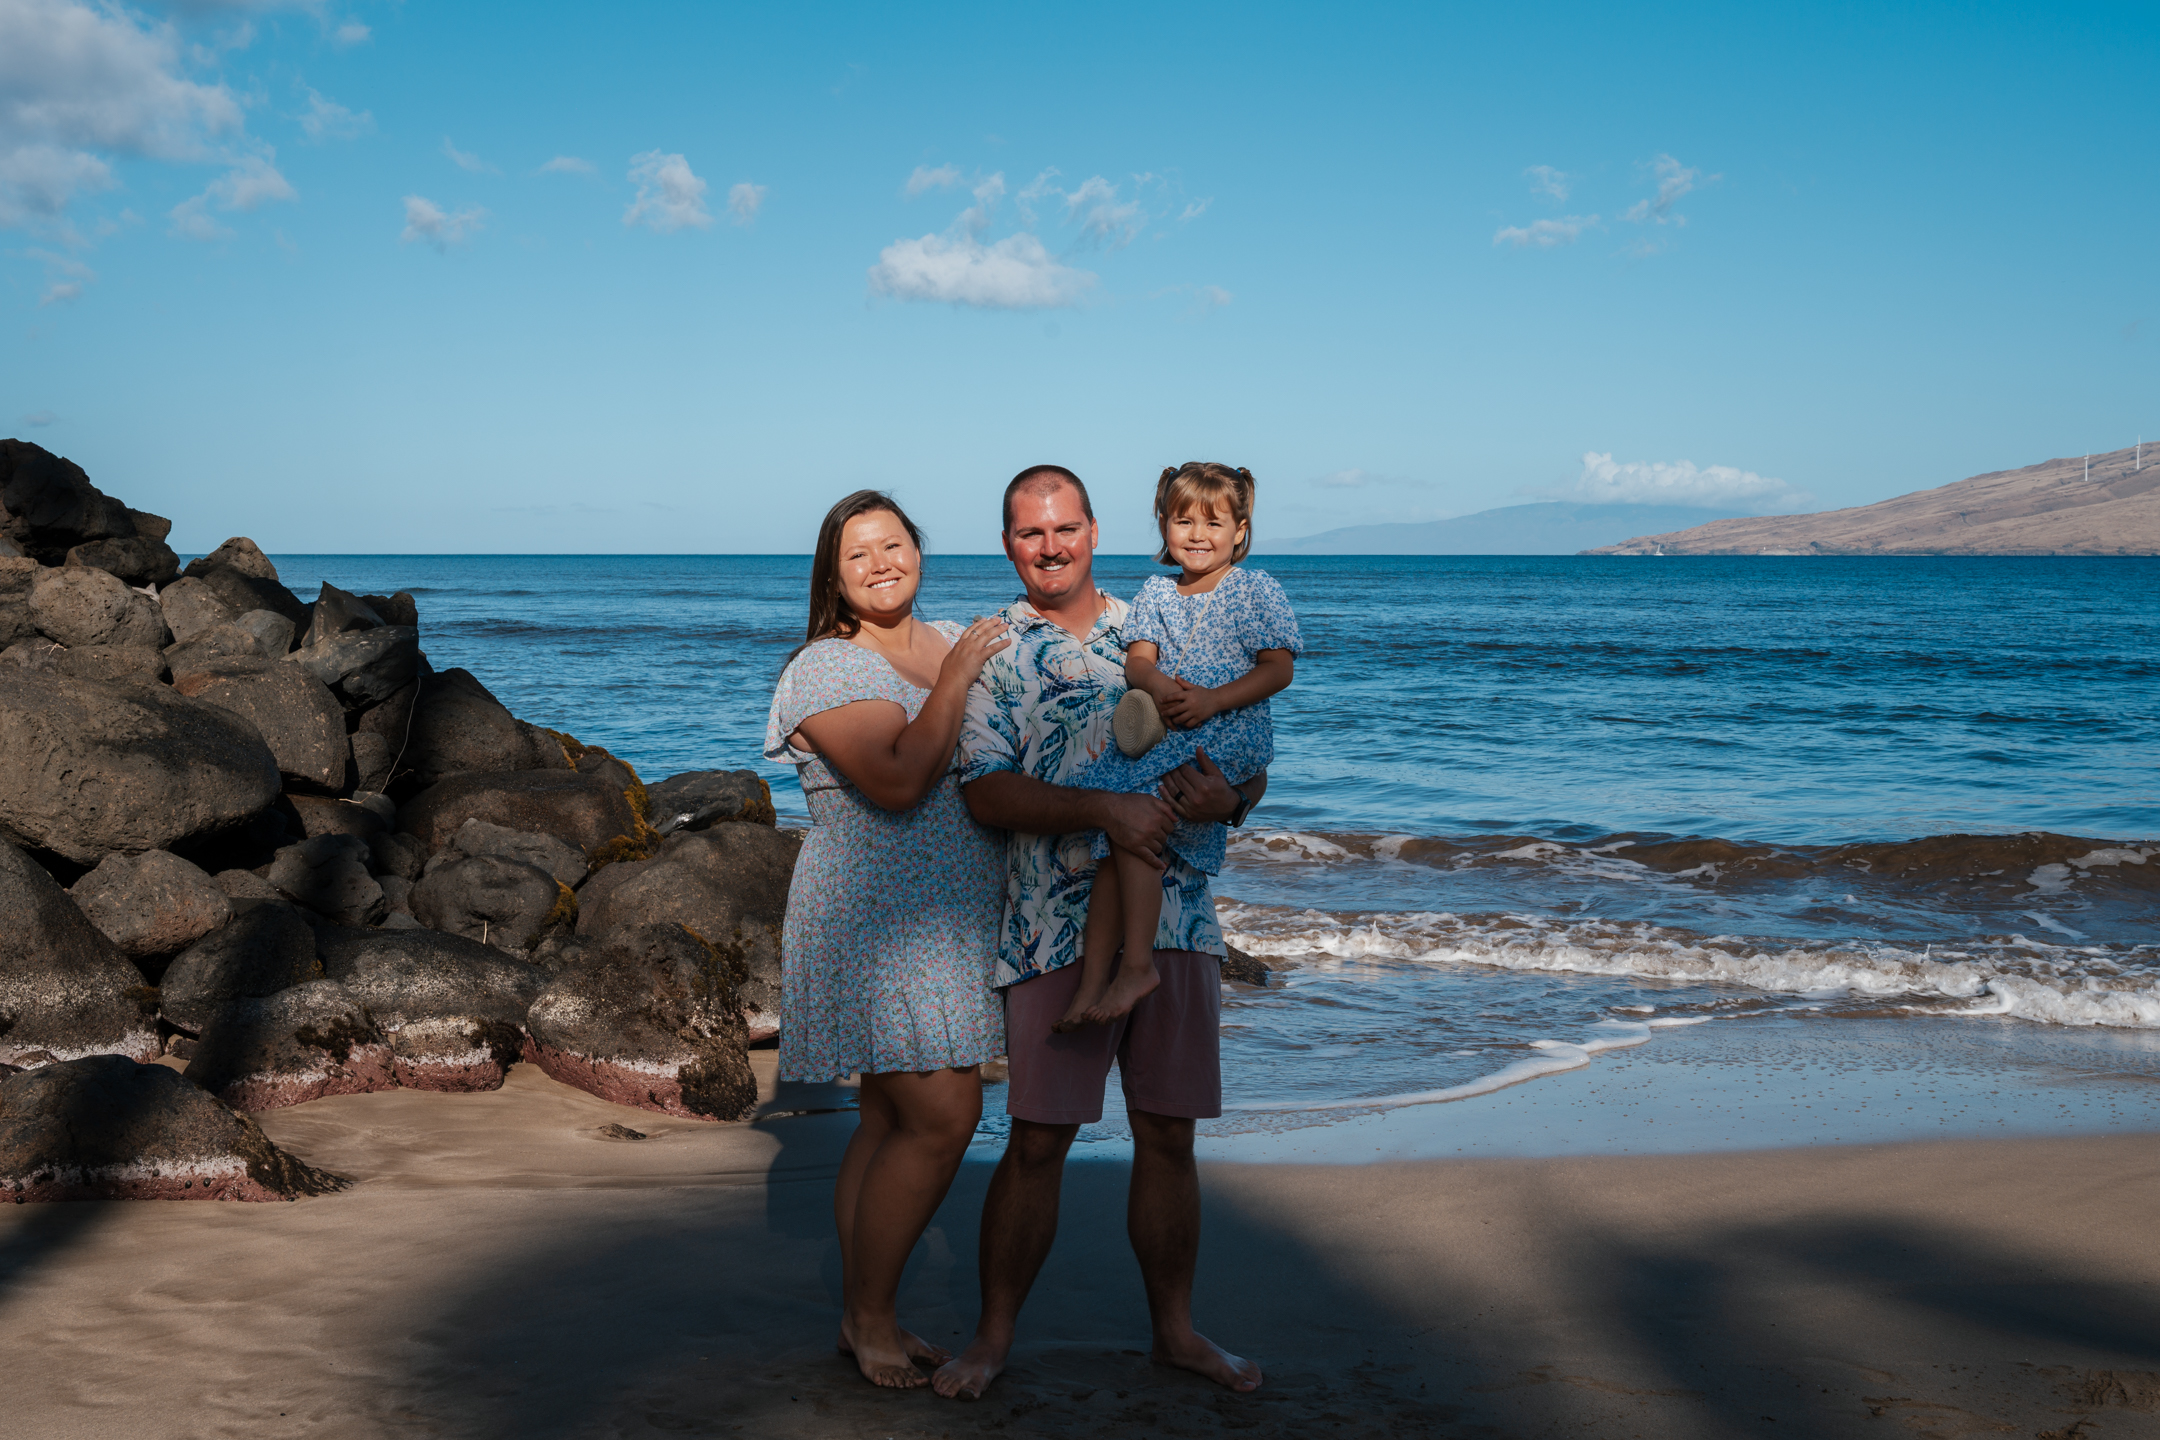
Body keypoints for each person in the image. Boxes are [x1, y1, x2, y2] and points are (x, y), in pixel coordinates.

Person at [932, 464, 1266, 1401]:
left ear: (1092, 529)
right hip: (1049, 929)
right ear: (1009, 543)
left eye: (1066, 528)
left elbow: (1242, 745)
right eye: (1031, 533)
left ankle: (1176, 1332)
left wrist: (1232, 797)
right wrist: (1101, 811)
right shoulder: (992, 648)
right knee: (1037, 1138)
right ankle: (992, 1339)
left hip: (1180, 917)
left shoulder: (1160, 626)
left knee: (1169, 1134)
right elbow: (985, 790)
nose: (1051, 546)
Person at [763, 490, 1011, 1390]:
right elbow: (901, 780)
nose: (880, 563)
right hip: (874, 919)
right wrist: (955, 680)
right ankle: (869, 1316)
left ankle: (867, 1313)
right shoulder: (826, 669)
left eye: (894, 544)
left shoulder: (948, 636)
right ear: (833, 574)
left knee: (886, 1117)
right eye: (858, 553)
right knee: (945, 1116)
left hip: (951, 920)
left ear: (919, 551)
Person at [1058, 463, 1300, 1030]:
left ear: (1240, 530)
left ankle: (1137, 966)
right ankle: (1094, 982)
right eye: (1182, 519)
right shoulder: (1157, 592)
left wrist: (1213, 700)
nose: (1197, 534)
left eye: (1214, 523)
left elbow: (1279, 669)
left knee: (1135, 823)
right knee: (1113, 840)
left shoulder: (1253, 589)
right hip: (1173, 727)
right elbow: (1138, 661)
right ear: (1162, 524)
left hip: (1226, 731)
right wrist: (1161, 686)